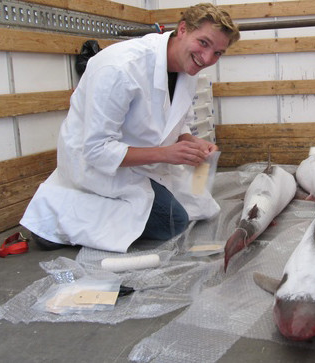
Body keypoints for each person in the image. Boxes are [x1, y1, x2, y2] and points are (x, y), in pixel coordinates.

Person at [20, 3, 240, 253]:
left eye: (218, 53)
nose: (207, 58)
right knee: (173, 222)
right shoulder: (120, 68)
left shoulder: (185, 68)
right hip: (98, 165)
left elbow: (178, 118)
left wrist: (189, 140)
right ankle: (52, 215)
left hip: (144, 159)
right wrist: (166, 154)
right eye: (203, 43)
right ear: (182, 30)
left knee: (201, 205)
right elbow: (96, 150)